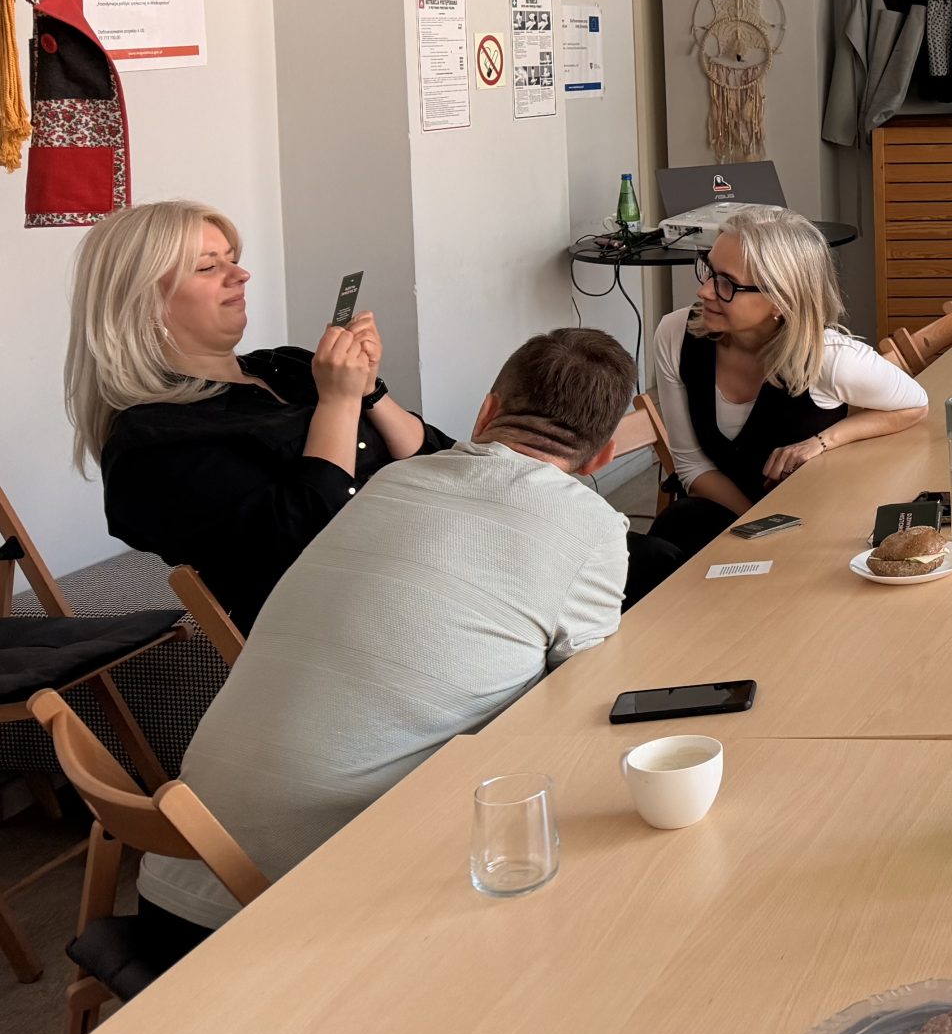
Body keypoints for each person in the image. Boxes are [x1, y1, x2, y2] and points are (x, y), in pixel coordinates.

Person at [137, 327, 638, 943]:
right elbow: (580, 701)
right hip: (294, 922)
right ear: (602, 457)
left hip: (175, 871)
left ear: (486, 412)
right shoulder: (591, 527)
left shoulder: (390, 482)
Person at [68, 200, 448, 630]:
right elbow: (303, 543)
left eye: (233, 259)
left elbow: (443, 463)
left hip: (438, 572)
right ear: (143, 301)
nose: (241, 275)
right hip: (349, 629)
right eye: (207, 267)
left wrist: (369, 392)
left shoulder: (288, 366)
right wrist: (338, 403)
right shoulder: (151, 436)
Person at [638, 206, 928, 575]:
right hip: (728, 519)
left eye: (727, 283)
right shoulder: (675, 335)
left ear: (780, 298)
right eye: (708, 270)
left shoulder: (829, 358)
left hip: (818, 528)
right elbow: (692, 466)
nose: (704, 290)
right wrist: (760, 527)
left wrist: (824, 441)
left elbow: (916, 404)